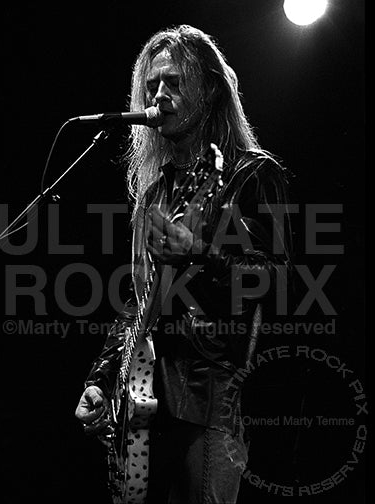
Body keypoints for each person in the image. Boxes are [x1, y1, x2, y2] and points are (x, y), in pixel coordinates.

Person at [75, 24, 292, 504]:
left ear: (210, 88)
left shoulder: (252, 175)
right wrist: (101, 378)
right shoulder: (154, 193)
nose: (159, 95)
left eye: (174, 82)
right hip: (146, 410)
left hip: (211, 404)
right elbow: (139, 301)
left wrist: (199, 254)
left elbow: (279, 283)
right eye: (152, 85)